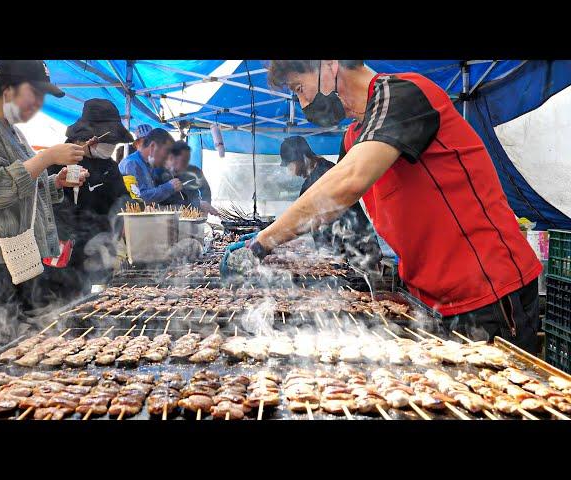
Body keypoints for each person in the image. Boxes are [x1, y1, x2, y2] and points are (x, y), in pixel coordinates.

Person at [222, 60, 543, 354]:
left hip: (489, 293)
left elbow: (347, 182)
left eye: (299, 89)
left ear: (329, 64)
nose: (303, 104)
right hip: (429, 300)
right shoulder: (353, 137)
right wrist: (273, 236)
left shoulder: (404, 93)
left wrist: (262, 242)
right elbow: (327, 202)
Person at [0, 60, 90, 349]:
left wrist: (55, 183)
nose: (39, 103)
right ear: (9, 89)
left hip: (14, 255)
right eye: (34, 93)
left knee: (19, 342)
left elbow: (25, 188)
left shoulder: (11, 130)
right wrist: (46, 158)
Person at [40, 99, 133, 304]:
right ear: (88, 138)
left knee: (95, 307)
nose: (111, 147)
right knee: (61, 310)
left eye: (114, 143)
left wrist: (125, 236)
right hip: (62, 256)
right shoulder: (57, 161)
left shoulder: (109, 166)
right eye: (108, 142)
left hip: (101, 253)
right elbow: (47, 208)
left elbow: (123, 201)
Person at [279, 135, 380, 263]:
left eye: (290, 165)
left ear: (301, 158)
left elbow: (309, 219)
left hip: (357, 249)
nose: (291, 172)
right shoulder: (320, 172)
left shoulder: (325, 174)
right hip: (342, 250)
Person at [118, 124, 180, 203]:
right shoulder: (132, 163)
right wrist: (168, 187)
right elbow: (139, 198)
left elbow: (154, 191)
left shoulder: (149, 164)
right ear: (137, 144)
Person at [155, 140, 219, 216]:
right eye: (183, 160)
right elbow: (165, 201)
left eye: (187, 160)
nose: (186, 164)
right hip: (170, 216)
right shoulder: (160, 174)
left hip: (195, 215)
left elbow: (206, 190)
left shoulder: (195, 171)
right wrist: (196, 205)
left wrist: (205, 208)